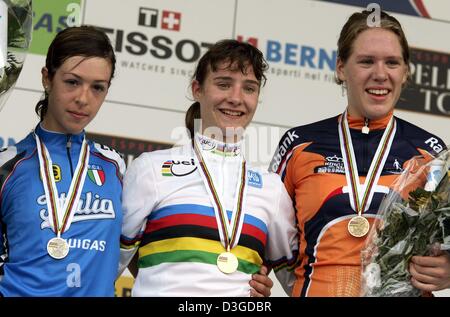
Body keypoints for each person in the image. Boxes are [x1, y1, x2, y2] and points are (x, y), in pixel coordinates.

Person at [269, 9, 450, 297]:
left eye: (392, 62)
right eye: (366, 61)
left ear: (405, 72)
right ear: (341, 67)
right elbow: (272, 242)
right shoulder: (298, 145)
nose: (380, 74)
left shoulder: (432, 154)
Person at [119, 39, 298, 297]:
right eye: (224, 84)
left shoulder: (271, 188)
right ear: (197, 89)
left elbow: (300, 283)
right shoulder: (152, 168)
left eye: (249, 88)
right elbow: (108, 263)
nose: (236, 98)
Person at [0, 26, 125, 296]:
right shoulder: (7, 166)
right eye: (72, 82)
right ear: (47, 78)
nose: (83, 98)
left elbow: (140, 247)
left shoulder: (116, 166)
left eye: (97, 88)